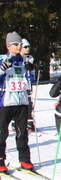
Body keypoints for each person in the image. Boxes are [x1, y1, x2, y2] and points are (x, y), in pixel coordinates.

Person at [0, 32, 35, 172]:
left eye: (20, 44)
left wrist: (31, 71)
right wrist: (3, 68)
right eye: (16, 44)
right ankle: (1, 159)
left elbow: (30, 80)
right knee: (2, 132)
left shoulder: (26, 60)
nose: (19, 46)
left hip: (22, 101)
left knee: (22, 131)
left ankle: (25, 159)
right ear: (8, 46)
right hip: (6, 101)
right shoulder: (2, 59)